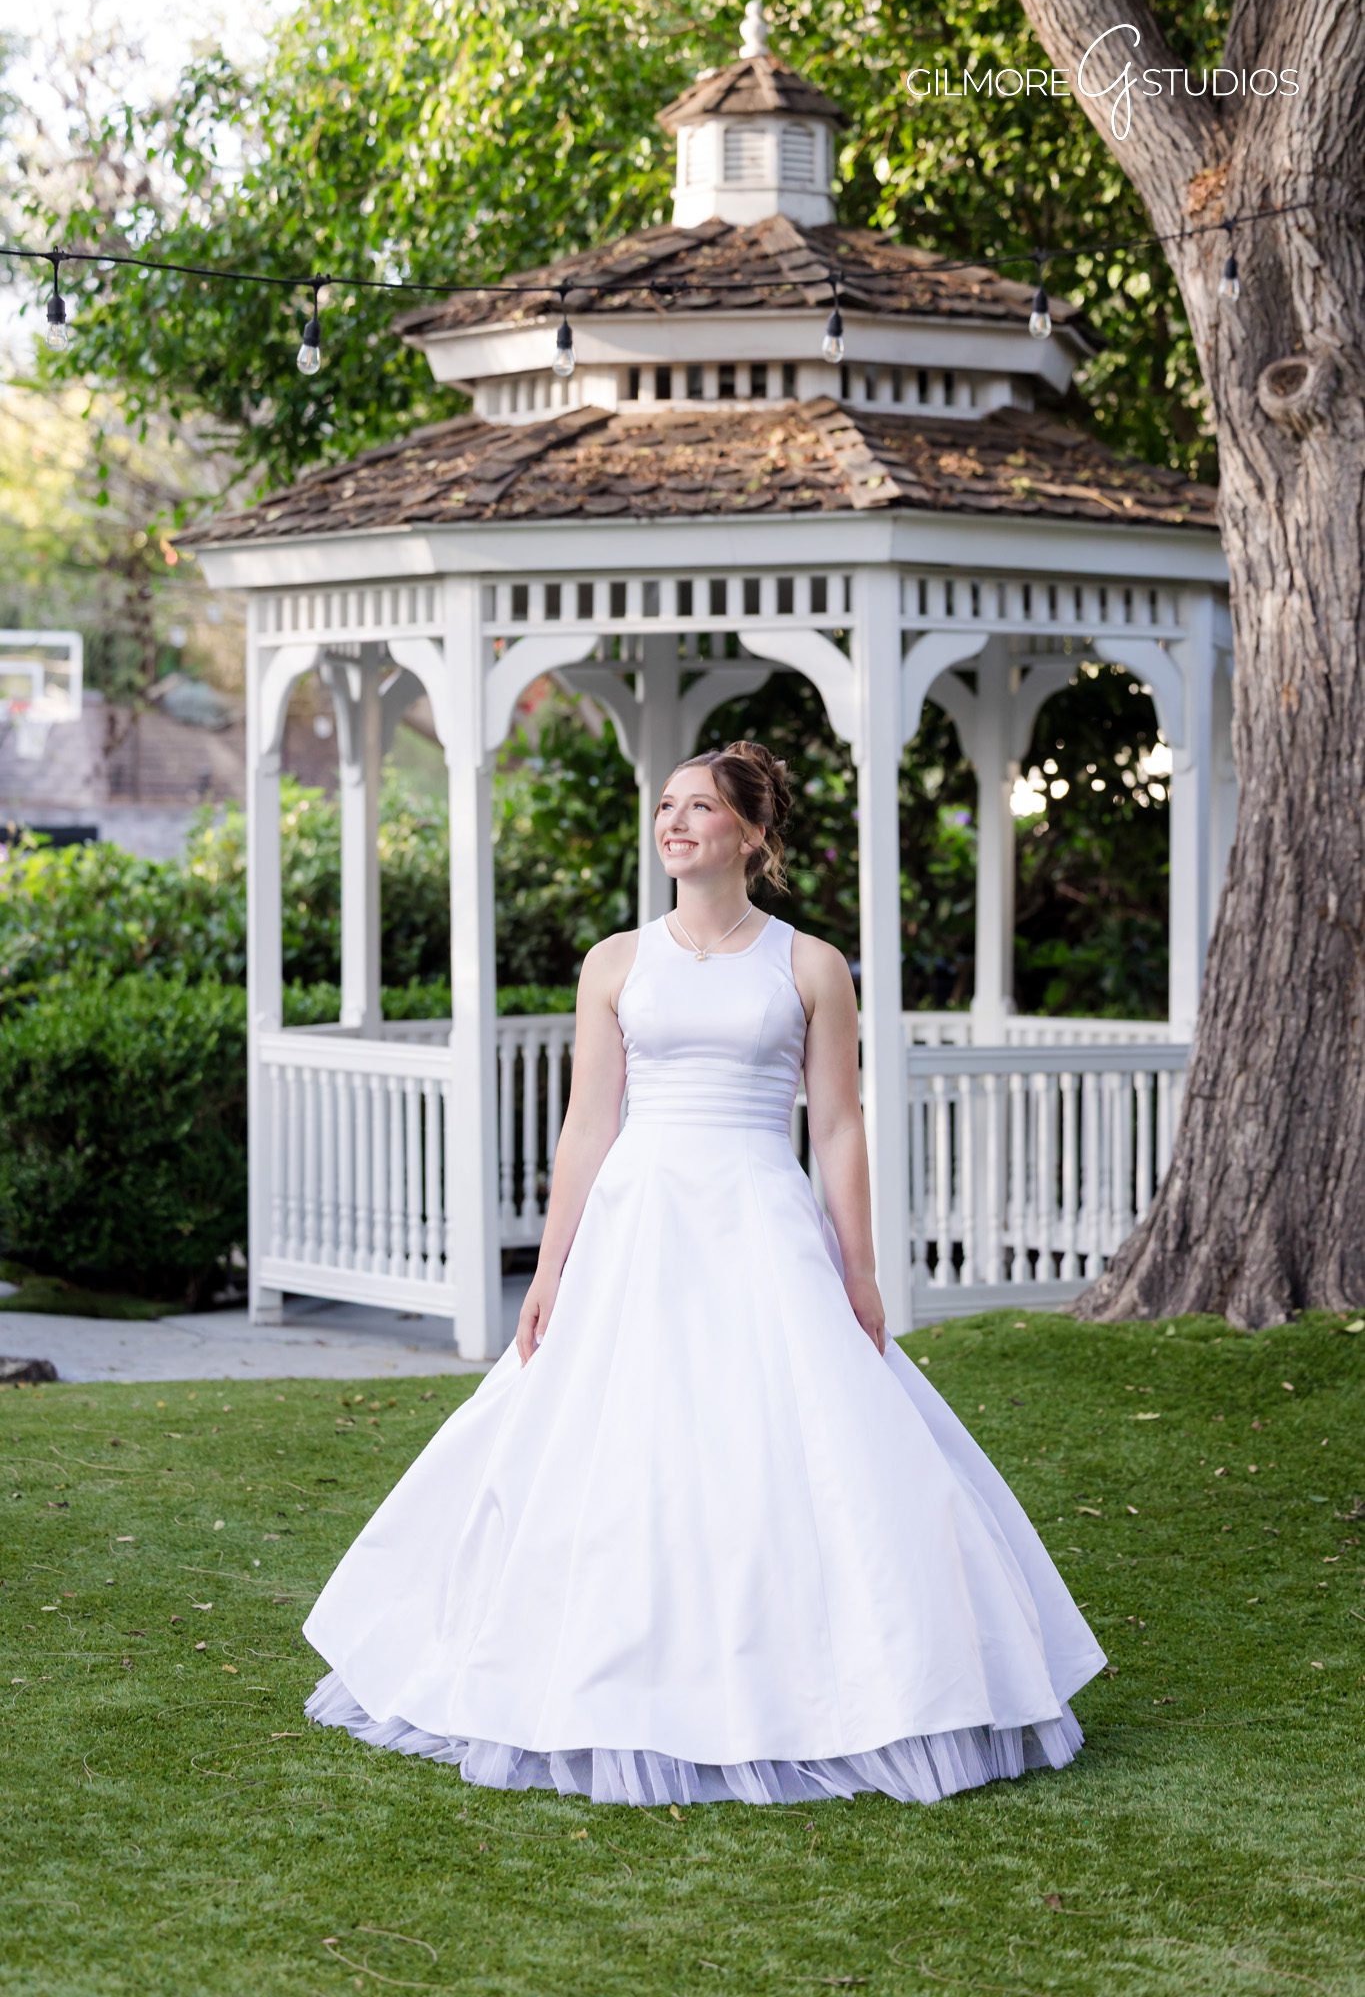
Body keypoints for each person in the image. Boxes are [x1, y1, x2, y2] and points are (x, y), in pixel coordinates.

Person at [302, 738, 1108, 1805]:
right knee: (615, 1443)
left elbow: (840, 1123)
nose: (674, 822)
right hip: (638, 1224)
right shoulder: (616, 962)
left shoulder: (810, 963)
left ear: (752, 833)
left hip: (762, 1221)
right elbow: (588, 1124)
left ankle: (819, 1684)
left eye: (699, 807)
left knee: (794, 1444)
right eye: (666, 805)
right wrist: (549, 1269)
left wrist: (859, 1270)